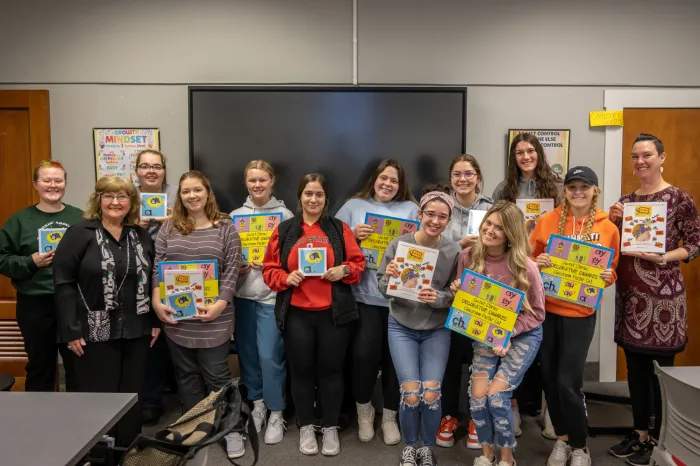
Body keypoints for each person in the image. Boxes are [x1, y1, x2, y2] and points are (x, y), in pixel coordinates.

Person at [607, 133, 700, 466]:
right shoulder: (626, 202)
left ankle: (662, 439)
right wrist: (612, 220)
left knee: (660, 373)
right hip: (631, 298)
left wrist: (666, 257)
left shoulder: (679, 198)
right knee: (634, 369)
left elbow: (694, 244)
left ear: (662, 157)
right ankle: (639, 434)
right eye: (634, 156)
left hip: (664, 301)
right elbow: (611, 243)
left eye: (646, 155)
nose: (640, 161)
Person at [262, 173, 365, 457]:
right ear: (300, 198)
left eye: (319, 194)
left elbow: (357, 264)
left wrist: (342, 270)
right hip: (296, 315)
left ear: (326, 199)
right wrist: (286, 277)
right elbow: (269, 270)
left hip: (334, 315)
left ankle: (330, 426)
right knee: (302, 372)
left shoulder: (339, 229)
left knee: (332, 372)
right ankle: (306, 425)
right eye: (308, 193)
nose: (313, 199)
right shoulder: (284, 230)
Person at [53, 175, 158, 447]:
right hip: (93, 327)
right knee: (99, 395)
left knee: (132, 395)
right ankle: (98, 453)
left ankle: (127, 450)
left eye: (122, 196)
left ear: (131, 202)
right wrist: (70, 330)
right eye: (108, 196)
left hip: (137, 327)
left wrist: (155, 320)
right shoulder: (80, 233)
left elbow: (154, 279)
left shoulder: (141, 235)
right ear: (98, 200)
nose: (115, 202)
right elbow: (64, 283)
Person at [530, 166, 620, 466]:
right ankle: (562, 440)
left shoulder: (608, 227)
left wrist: (609, 275)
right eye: (572, 187)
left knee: (569, 381)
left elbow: (611, 269)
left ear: (595, 190)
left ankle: (580, 446)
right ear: (564, 190)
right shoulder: (547, 221)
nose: (578, 192)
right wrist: (537, 260)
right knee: (549, 379)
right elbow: (528, 261)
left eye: (584, 187)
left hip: (580, 313)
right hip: (547, 311)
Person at [150, 170, 243, 459]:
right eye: (186, 191)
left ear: (208, 193)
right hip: (178, 318)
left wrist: (220, 304)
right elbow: (157, 267)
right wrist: (156, 300)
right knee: (186, 376)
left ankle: (233, 429)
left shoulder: (226, 226)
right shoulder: (169, 228)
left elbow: (231, 270)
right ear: (180, 196)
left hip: (214, 317)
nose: (192, 196)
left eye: (197, 190)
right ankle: (193, 429)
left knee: (217, 377)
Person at [454, 201, 546, 466]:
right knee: (478, 395)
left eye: (500, 228)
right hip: (487, 334)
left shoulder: (526, 266)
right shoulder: (468, 257)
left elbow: (537, 313)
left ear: (511, 234)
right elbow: (467, 304)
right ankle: (486, 455)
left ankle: (507, 458)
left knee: (496, 396)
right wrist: (458, 292)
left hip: (523, 334)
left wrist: (509, 333)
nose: (490, 231)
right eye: (488, 224)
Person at [335, 159, 418, 445]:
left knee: (396, 361)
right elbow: (330, 247)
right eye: (383, 178)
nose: (388, 184)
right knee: (363, 357)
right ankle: (364, 412)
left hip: (400, 300)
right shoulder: (352, 207)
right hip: (364, 298)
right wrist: (352, 238)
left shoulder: (412, 210)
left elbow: (424, 248)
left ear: (401, 184)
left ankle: (391, 416)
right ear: (374, 179)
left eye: (394, 180)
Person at [378, 184, 461, 466]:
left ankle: (426, 446)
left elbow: (457, 295)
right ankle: (409, 446)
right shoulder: (398, 245)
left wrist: (438, 297)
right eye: (430, 214)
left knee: (431, 391)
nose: (435, 221)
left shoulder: (454, 251)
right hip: (401, 325)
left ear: (449, 220)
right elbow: (382, 287)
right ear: (420, 213)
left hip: (437, 328)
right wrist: (389, 278)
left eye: (442, 217)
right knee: (411, 394)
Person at [492, 132, 563, 437]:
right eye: (519, 153)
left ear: (539, 154)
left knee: (548, 350)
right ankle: (514, 407)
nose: (525, 157)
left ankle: (551, 411)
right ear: (514, 157)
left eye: (530, 151)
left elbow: (565, 228)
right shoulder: (503, 188)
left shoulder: (557, 188)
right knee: (512, 344)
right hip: (515, 270)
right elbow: (495, 227)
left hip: (549, 270)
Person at [0, 161, 82, 392]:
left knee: (78, 366)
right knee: (39, 367)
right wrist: (30, 262)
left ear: (65, 183)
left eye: (58, 180)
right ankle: (38, 422)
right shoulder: (19, 221)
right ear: (35, 184)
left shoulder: (81, 218)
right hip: (35, 303)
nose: (53, 185)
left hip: (73, 303)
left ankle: (81, 422)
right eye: (47, 180)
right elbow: (2, 259)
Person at [230, 160, 294, 446]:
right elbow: (227, 257)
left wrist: (272, 264)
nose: (257, 185)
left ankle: (276, 410)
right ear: (246, 183)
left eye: (262, 180)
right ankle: (257, 405)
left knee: (270, 357)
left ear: (272, 181)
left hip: (271, 298)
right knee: (248, 356)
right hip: (242, 296)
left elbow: (293, 260)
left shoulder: (285, 215)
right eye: (252, 180)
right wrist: (238, 267)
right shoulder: (234, 216)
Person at [439, 155, 493, 450]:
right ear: (451, 179)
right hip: (447, 296)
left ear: (478, 176)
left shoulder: (490, 208)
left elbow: (505, 245)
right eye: (457, 173)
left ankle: (476, 418)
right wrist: (456, 246)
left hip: (482, 300)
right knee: (449, 361)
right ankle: (448, 416)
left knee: (479, 361)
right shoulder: (441, 208)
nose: (462, 178)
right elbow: (428, 244)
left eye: (468, 173)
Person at [134, 149, 179, 426]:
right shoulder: (124, 195)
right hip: (136, 272)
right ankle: (149, 399)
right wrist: (134, 223)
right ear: (136, 171)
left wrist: (174, 220)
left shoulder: (179, 192)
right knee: (147, 336)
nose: (151, 171)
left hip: (175, 270)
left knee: (175, 328)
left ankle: (177, 389)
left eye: (157, 166)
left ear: (164, 169)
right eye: (145, 166)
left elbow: (202, 222)